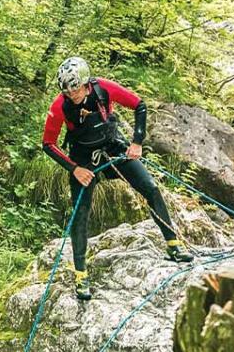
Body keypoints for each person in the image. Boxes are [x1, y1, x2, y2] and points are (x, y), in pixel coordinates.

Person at [42, 57, 192, 301]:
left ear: (85, 83)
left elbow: (139, 105)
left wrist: (137, 142)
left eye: (76, 89)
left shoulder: (102, 88)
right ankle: (81, 273)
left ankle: (173, 244)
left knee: (150, 188)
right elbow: (48, 144)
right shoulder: (60, 105)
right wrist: (74, 169)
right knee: (81, 212)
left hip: (114, 147)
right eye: (68, 92)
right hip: (83, 158)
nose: (73, 95)